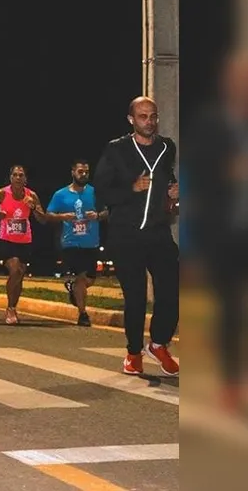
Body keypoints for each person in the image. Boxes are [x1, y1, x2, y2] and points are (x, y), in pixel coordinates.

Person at [186, 52, 248, 410]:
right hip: (221, 232)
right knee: (232, 307)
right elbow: (196, 176)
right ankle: (231, 383)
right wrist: (226, 172)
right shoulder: (210, 123)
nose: (246, 86)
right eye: (239, 79)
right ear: (228, 84)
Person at [93, 96, 179, 377]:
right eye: (143, 116)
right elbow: (102, 191)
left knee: (173, 287)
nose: (149, 122)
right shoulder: (116, 149)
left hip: (158, 231)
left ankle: (158, 343)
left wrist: (173, 190)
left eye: (153, 116)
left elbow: (168, 176)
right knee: (136, 296)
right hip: (125, 233)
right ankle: (133, 352)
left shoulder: (167, 147)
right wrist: (131, 188)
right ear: (131, 119)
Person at [0, 165, 47, 324]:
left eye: (21, 175)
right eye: (15, 175)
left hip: (25, 241)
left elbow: (43, 219)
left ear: (25, 179)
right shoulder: (1, 193)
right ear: (10, 178)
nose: (18, 178)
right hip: (6, 240)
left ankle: (13, 307)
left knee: (20, 275)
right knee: (15, 269)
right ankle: (10, 308)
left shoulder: (32, 195)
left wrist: (33, 208)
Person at [46, 159, 108, 327]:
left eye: (86, 172)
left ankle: (75, 290)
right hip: (70, 243)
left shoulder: (95, 193)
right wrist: (62, 217)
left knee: (89, 280)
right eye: (80, 171)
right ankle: (83, 313)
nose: (83, 175)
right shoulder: (61, 194)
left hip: (91, 242)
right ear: (73, 172)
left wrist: (97, 216)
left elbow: (107, 211)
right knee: (81, 277)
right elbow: (48, 215)